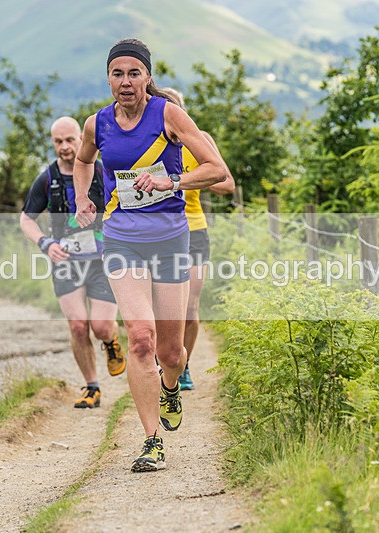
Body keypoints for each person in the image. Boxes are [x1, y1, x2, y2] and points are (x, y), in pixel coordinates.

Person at [73, 39, 228, 472]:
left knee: (171, 351)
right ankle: (151, 441)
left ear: (147, 77)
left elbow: (218, 170)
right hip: (122, 239)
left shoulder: (168, 115)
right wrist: (84, 198)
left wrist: (172, 183)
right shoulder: (96, 124)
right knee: (140, 338)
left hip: (171, 240)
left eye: (134, 73)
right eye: (117, 73)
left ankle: (172, 386)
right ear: (108, 78)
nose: (125, 82)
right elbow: (84, 162)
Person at [20, 116, 126, 409]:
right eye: (58, 142)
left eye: (70, 140)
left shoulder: (104, 172)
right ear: (53, 143)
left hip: (102, 260)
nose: (65, 147)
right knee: (78, 326)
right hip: (66, 261)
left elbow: (124, 207)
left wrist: (118, 243)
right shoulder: (47, 179)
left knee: (101, 326)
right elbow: (26, 219)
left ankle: (110, 341)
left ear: (82, 139)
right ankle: (92, 386)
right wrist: (45, 244)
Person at [155, 87, 235, 391]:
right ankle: (163, 364)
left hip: (195, 229)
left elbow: (227, 183)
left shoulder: (198, 140)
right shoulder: (150, 143)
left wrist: (194, 179)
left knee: (189, 305)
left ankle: (184, 365)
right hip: (160, 231)